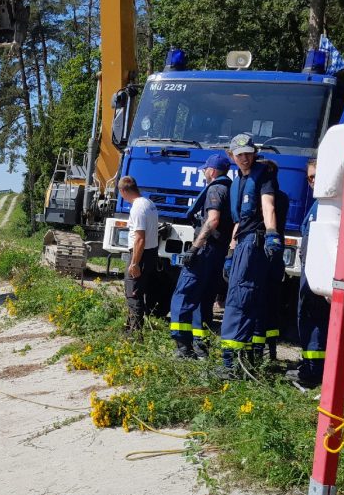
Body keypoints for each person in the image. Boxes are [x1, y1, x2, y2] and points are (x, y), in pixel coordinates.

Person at [218, 133, 281, 375]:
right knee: (246, 299)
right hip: (242, 242)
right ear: (231, 155)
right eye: (239, 154)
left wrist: (272, 233)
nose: (244, 158)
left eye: (248, 153)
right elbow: (238, 222)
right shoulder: (238, 181)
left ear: (254, 153)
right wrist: (230, 253)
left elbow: (268, 206)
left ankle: (230, 364)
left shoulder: (263, 176)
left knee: (239, 300)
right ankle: (245, 362)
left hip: (254, 242)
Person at [170, 153, 233, 358]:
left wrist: (195, 248)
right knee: (205, 300)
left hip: (206, 249)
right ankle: (201, 347)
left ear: (212, 171)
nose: (204, 173)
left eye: (205, 169)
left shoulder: (215, 189)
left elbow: (212, 220)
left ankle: (182, 348)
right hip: (219, 252)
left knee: (184, 295)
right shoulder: (231, 189)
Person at [287, 159, 329, 386]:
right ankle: (310, 366)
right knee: (308, 318)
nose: (312, 182)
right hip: (309, 272)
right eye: (310, 178)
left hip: (317, 274)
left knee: (315, 320)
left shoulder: (329, 205)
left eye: (316, 176)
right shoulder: (318, 203)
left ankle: (313, 372)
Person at [253, 160, 289, 363]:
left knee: (259, 301)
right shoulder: (283, 197)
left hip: (263, 254)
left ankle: (257, 350)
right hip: (277, 256)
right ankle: (272, 349)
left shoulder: (265, 197)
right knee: (273, 302)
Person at [120, 176, 159, 332]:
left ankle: (135, 334)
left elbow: (139, 239)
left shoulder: (137, 207)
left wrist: (134, 263)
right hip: (151, 253)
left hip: (141, 255)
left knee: (133, 294)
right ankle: (129, 327)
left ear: (123, 191)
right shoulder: (149, 203)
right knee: (138, 291)